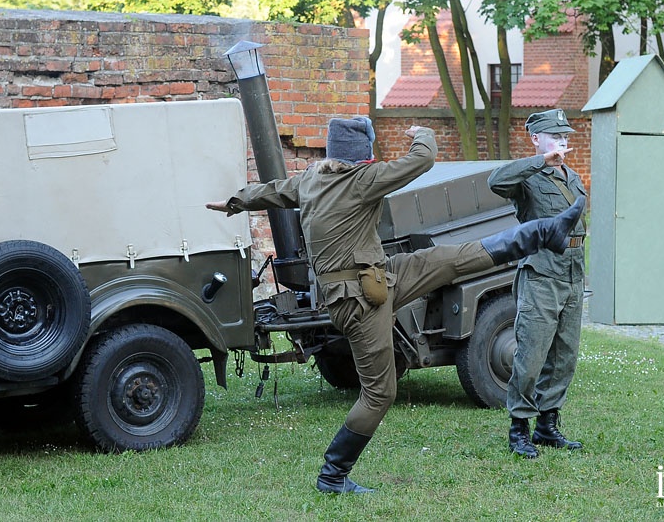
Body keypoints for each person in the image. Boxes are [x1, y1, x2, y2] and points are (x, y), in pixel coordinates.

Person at [208, 116, 585, 493]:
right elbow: (422, 160)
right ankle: (333, 474)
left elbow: (272, 191)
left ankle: (539, 233)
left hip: (378, 276)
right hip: (361, 301)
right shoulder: (362, 180)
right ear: (365, 155)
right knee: (380, 393)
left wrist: (234, 202)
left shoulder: (309, 180)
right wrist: (422, 133)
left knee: (447, 260)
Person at [488, 108, 588, 459]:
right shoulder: (529, 178)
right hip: (542, 275)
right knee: (531, 355)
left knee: (564, 356)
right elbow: (495, 181)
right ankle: (520, 429)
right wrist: (540, 161)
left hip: (573, 274)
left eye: (565, 136)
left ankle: (548, 424)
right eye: (554, 135)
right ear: (536, 139)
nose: (563, 140)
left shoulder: (572, 177)